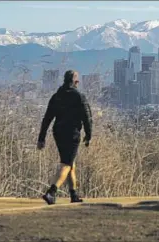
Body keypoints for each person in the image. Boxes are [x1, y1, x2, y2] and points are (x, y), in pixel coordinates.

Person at [37, 70, 92, 205]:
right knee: (67, 163)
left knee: (70, 162)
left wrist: (41, 138)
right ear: (75, 82)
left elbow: (47, 118)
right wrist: (88, 134)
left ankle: (73, 194)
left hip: (58, 132)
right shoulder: (79, 96)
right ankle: (51, 192)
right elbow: (87, 117)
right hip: (72, 133)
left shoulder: (57, 96)